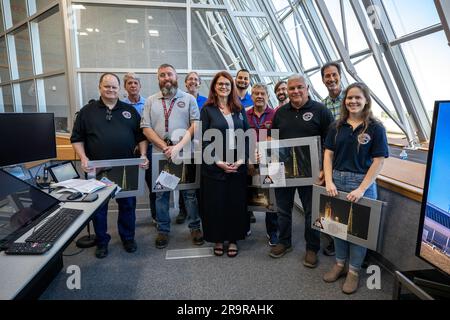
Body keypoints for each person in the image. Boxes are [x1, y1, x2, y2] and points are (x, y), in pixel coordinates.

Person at [71, 73, 149, 259]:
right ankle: (102, 242)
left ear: (119, 89)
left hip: (126, 169)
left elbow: (141, 137)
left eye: (114, 87)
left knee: (128, 206)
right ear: (100, 87)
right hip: (97, 170)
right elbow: (77, 138)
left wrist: (143, 155)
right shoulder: (86, 112)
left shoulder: (129, 111)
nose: (111, 90)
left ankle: (128, 238)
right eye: (107, 86)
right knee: (99, 208)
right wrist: (83, 158)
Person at [322, 82, 388, 294]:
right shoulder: (336, 126)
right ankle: (340, 264)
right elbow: (328, 154)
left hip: (363, 184)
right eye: (349, 98)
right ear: (344, 101)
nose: (353, 101)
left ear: (366, 100)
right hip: (337, 182)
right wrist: (329, 181)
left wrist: (361, 189)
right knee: (336, 228)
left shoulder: (376, 128)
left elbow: (379, 161)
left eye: (358, 97)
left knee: (358, 233)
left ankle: (353, 271)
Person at [269, 74, 334, 268]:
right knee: (282, 210)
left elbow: (330, 144)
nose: (295, 91)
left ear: (307, 88)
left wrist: (324, 170)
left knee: (311, 212)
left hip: (312, 173)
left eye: (299, 87)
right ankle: (284, 242)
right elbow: (273, 140)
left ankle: (312, 248)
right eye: (291, 88)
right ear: (286, 91)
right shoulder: (280, 113)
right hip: (284, 171)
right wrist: (268, 161)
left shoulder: (321, 111)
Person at [141, 63, 203, 249]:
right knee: (161, 194)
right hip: (161, 156)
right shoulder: (151, 101)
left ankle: (195, 227)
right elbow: (145, 127)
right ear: (158, 79)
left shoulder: (189, 99)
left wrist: (177, 147)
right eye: (162, 75)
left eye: (169, 74)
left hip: (185, 154)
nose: (166, 78)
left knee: (189, 193)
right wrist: (164, 147)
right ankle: (163, 230)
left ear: (176, 77)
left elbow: (195, 124)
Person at [200, 71, 250, 258]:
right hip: (214, 166)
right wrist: (219, 162)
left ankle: (234, 239)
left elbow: (247, 136)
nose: (224, 87)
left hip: (237, 165)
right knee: (216, 204)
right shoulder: (207, 110)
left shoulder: (238, 109)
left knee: (235, 203)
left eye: (227, 84)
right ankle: (219, 239)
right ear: (214, 86)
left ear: (232, 87)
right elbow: (203, 140)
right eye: (220, 84)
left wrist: (240, 160)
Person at [246, 83, 278, 246]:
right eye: (256, 93)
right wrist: (249, 160)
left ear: (267, 96)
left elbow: (279, 139)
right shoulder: (245, 115)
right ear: (251, 96)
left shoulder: (275, 115)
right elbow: (242, 139)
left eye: (262, 93)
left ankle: (272, 231)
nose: (259, 96)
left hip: (270, 161)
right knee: (247, 192)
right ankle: (244, 226)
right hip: (250, 161)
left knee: (271, 196)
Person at [123, 73, 157, 227]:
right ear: (125, 87)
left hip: (149, 149)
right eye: (129, 83)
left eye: (135, 83)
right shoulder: (121, 106)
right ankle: (130, 220)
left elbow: (153, 127)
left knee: (154, 186)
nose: (133, 85)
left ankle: (156, 217)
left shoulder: (148, 104)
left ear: (140, 86)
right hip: (130, 151)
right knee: (131, 188)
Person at [321, 62, 345, 257]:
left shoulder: (353, 98)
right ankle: (334, 243)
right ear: (322, 80)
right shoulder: (323, 105)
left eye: (334, 75)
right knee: (332, 204)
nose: (331, 79)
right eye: (327, 76)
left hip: (351, 160)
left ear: (340, 75)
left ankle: (355, 249)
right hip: (332, 161)